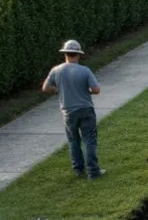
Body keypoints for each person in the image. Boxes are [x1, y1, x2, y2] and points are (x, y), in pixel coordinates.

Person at [42, 40, 105, 179]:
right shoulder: (84, 70)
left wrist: (58, 90)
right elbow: (96, 89)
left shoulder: (56, 70)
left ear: (65, 54)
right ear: (78, 55)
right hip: (86, 109)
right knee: (89, 140)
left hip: (68, 112)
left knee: (73, 141)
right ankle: (93, 172)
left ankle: (78, 169)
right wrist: (88, 91)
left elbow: (45, 88)